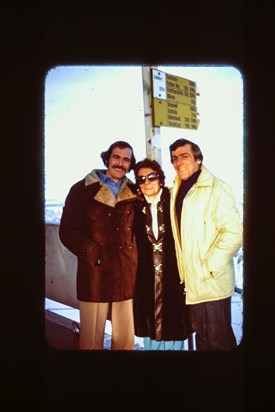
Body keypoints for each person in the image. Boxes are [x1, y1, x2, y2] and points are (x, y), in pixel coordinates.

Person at [59, 141, 138, 350]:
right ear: (107, 159)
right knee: (91, 342)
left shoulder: (135, 192)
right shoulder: (81, 189)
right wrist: (95, 253)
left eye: (126, 159)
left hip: (126, 274)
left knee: (125, 342)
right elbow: (67, 231)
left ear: (130, 164)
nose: (120, 163)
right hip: (95, 273)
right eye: (116, 157)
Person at [169, 138, 243, 350]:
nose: (178, 162)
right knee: (202, 339)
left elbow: (233, 233)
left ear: (198, 159)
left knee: (218, 342)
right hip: (192, 283)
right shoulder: (177, 189)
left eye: (184, 156)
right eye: (174, 158)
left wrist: (210, 267)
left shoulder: (217, 188)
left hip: (212, 282)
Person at [133, 158, 192, 350]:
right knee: (151, 332)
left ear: (160, 178)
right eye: (141, 179)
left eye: (151, 177)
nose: (147, 182)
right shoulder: (134, 209)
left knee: (174, 330)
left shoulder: (175, 203)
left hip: (174, 279)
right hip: (146, 281)